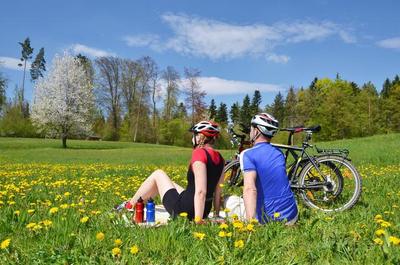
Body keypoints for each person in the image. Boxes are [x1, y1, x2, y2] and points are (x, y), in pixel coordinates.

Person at [120, 121, 225, 223]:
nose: (192, 138)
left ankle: (129, 206)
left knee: (158, 174)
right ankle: (137, 204)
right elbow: (218, 191)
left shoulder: (199, 153)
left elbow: (201, 192)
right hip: (204, 210)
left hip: (185, 210)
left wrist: (198, 220)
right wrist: (216, 215)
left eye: (194, 135)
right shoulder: (221, 159)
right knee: (169, 183)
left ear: (200, 137)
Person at [241, 113, 298, 225]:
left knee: (230, 200)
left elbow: (250, 189)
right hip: (292, 216)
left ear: (256, 131)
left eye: (251, 129)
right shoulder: (279, 152)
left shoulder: (247, 154)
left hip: (267, 220)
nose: (250, 132)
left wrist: (250, 225)